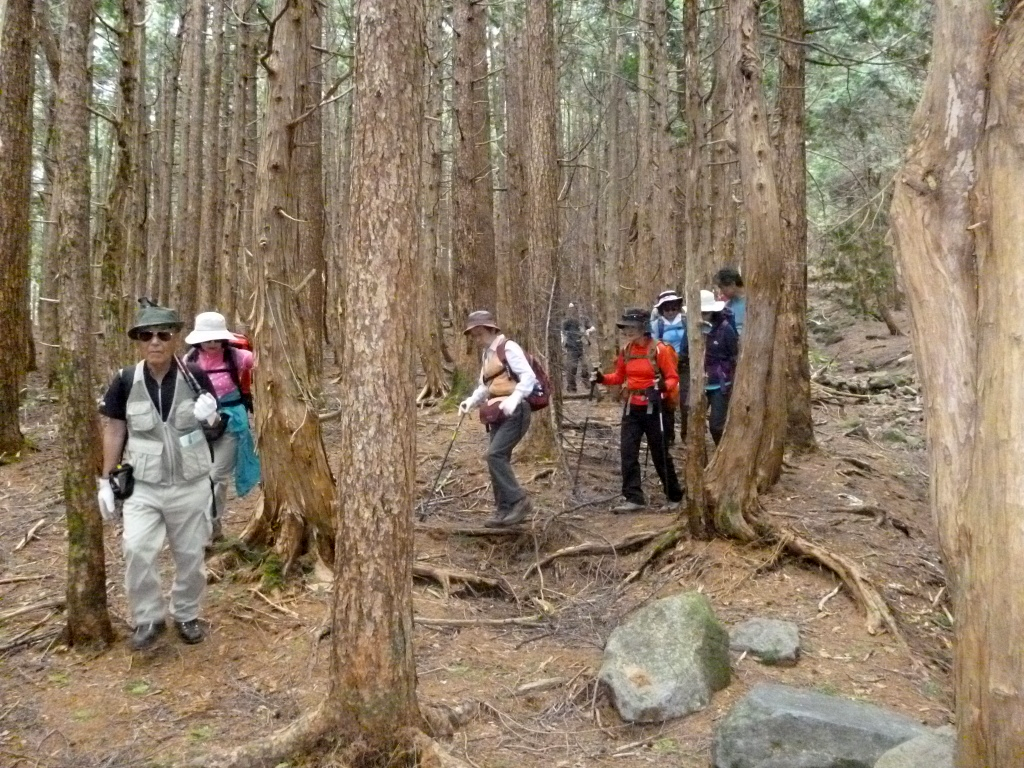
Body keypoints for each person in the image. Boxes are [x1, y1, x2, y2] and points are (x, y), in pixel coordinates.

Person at [97, 301, 220, 650]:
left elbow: (215, 427)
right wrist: (105, 480)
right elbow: (115, 430)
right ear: (138, 340)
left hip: (191, 483)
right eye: (147, 335)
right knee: (136, 549)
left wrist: (210, 416)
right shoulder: (124, 380)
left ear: (175, 339)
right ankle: (148, 617)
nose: (155, 342)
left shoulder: (195, 376)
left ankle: (186, 613)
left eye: (163, 334)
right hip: (144, 486)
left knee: (191, 556)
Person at [591, 307, 683, 513]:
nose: (628, 331)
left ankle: (675, 496)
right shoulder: (627, 351)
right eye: (625, 327)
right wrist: (602, 378)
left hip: (655, 408)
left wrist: (660, 387)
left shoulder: (661, 350)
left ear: (644, 327)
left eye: (632, 327)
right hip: (632, 407)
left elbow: (672, 377)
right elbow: (618, 376)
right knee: (628, 452)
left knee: (660, 453)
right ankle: (633, 498)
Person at [184, 312, 261, 541]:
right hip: (199, 424)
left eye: (216, 339)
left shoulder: (236, 357)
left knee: (217, 477)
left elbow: (260, 361)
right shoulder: (189, 361)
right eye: (207, 340)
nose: (212, 344)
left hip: (231, 421)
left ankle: (211, 532)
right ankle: (202, 529)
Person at [459, 310, 537, 527]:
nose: (477, 338)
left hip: (515, 410)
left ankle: (519, 501)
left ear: (492, 329)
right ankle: (503, 509)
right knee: (496, 460)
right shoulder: (487, 355)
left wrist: (515, 398)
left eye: (480, 333)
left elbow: (528, 376)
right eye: (473, 335)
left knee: (495, 455)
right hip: (496, 412)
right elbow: (485, 385)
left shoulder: (508, 348)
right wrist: (471, 401)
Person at [679, 290, 739, 445]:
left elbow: (734, 356)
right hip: (696, 381)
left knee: (716, 425)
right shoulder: (690, 329)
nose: (702, 316)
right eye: (699, 312)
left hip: (720, 383)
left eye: (705, 312)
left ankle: (722, 454)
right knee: (692, 422)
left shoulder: (726, 329)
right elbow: (684, 354)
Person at [650, 290, 684, 445]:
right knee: (667, 401)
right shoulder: (657, 325)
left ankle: (687, 433)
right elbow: (654, 345)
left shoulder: (686, 321)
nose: (670, 312)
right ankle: (668, 435)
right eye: (666, 309)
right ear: (661, 310)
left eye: (673, 308)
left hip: (685, 365)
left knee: (686, 402)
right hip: (666, 366)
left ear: (678, 307)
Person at [561, 303, 595, 393]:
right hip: (571, 347)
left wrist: (588, 331)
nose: (573, 311)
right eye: (571, 309)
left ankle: (586, 382)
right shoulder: (567, 321)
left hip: (582, 346)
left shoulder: (584, 319)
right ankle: (571, 387)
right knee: (572, 367)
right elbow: (562, 331)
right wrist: (563, 342)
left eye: (575, 309)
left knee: (585, 365)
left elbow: (592, 328)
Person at [713, 267, 746, 335]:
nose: (721, 292)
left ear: (732, 284)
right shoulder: (727, 306)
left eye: (722, 288)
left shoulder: (752, 303)